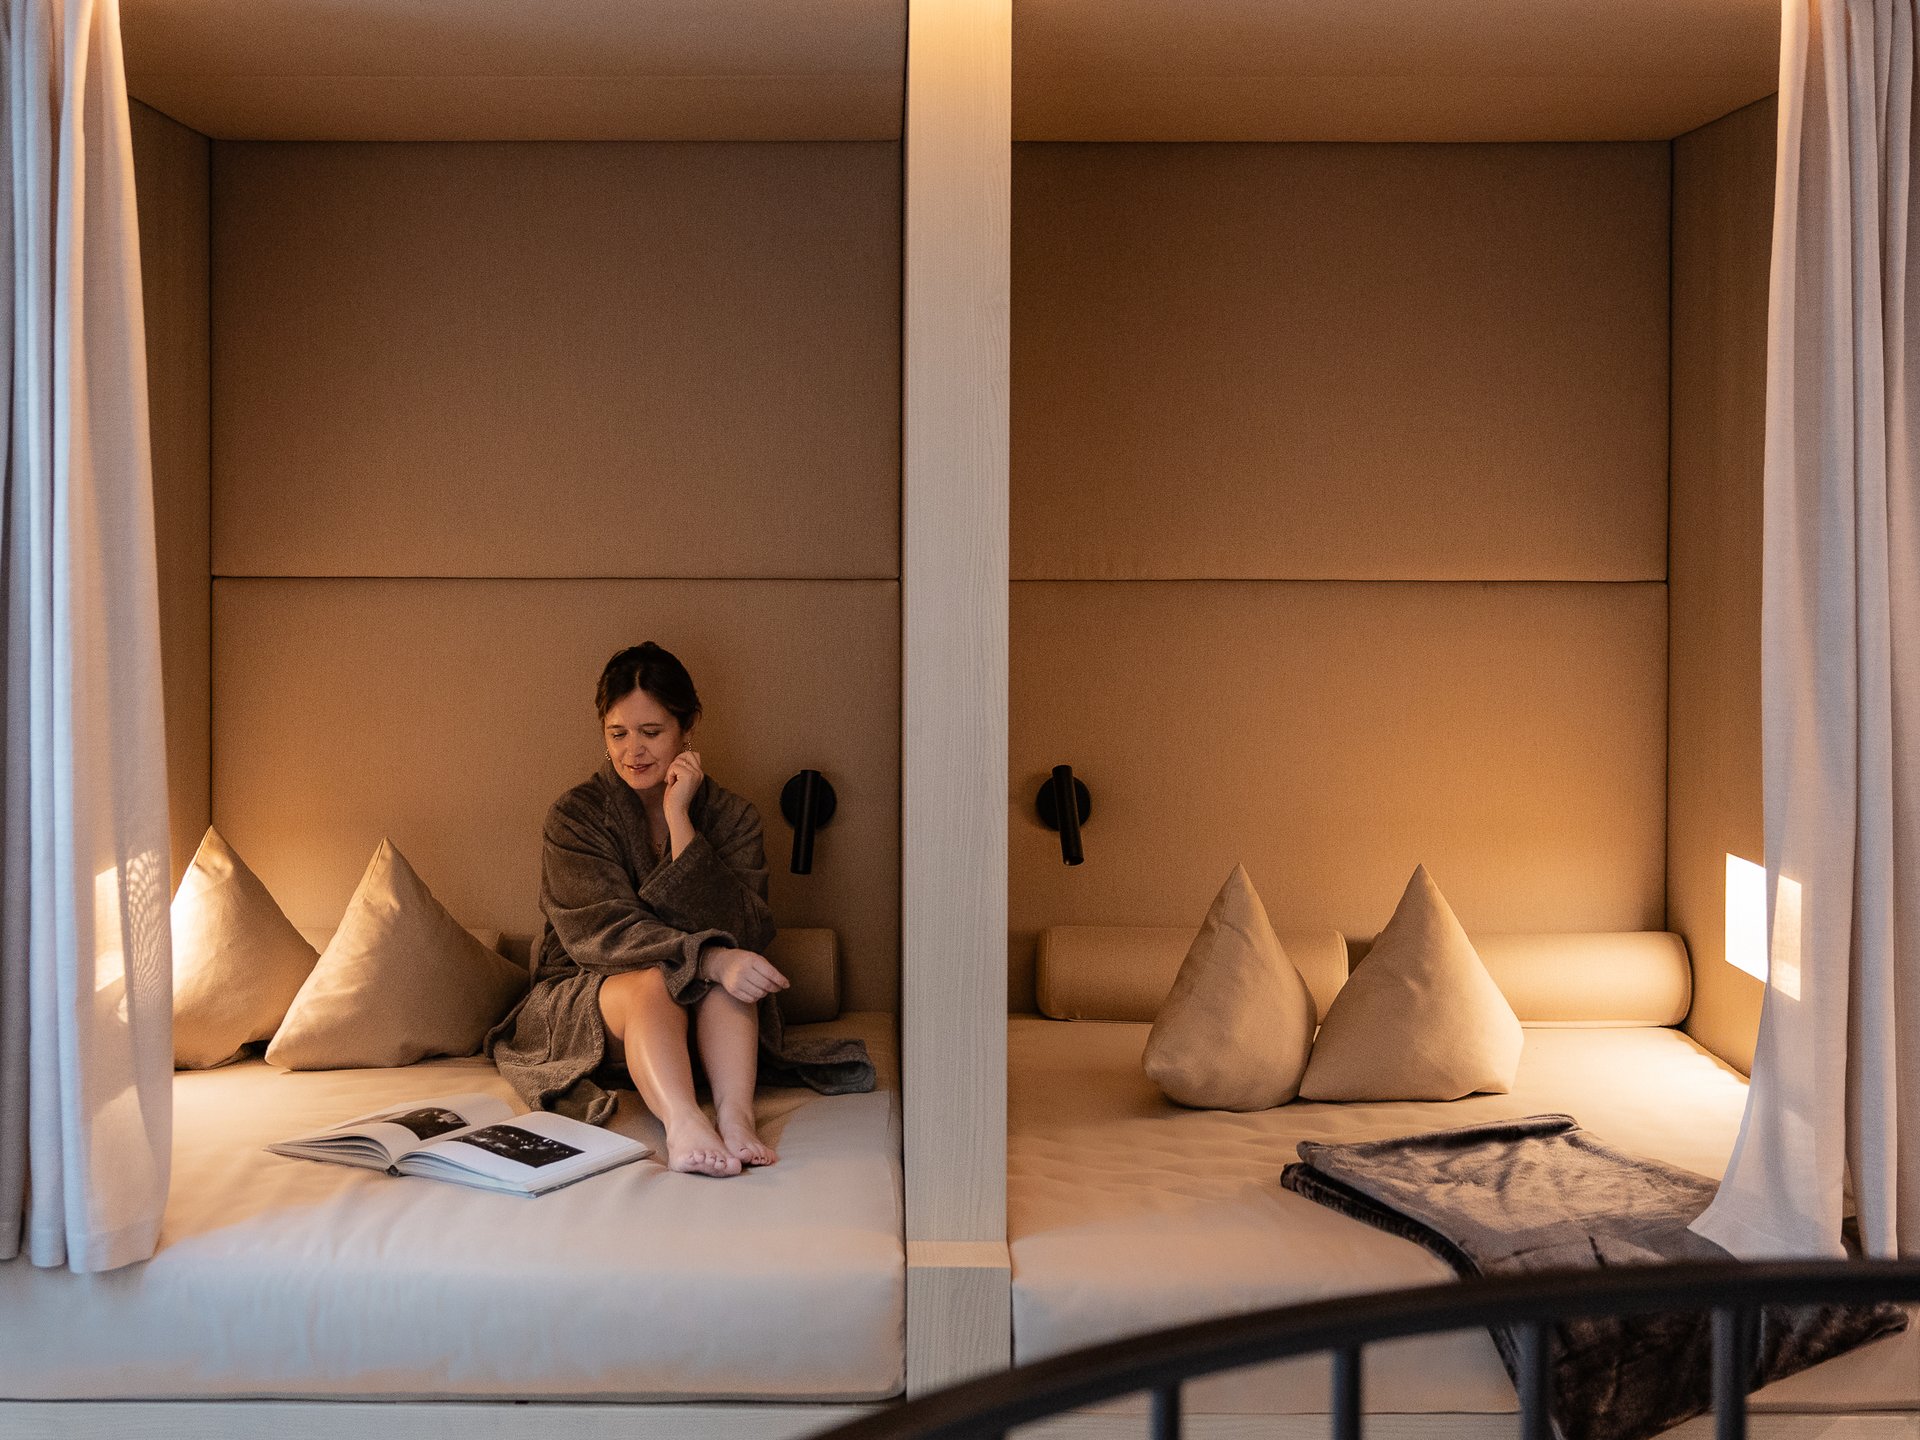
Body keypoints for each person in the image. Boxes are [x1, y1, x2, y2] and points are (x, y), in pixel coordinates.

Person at [487, 642, 873, 1177]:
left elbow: (746, 930)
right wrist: (708, 958)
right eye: (618, 733)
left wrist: (680, 821)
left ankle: (737, 1119)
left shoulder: (733, 817)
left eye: (652, 732)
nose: (633, 751)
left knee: (724, 974)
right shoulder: (574, 816)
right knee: (658, 978)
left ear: (687, 728)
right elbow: (601, 932)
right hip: (593, 994)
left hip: (707, 1016)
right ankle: (685, 1122)